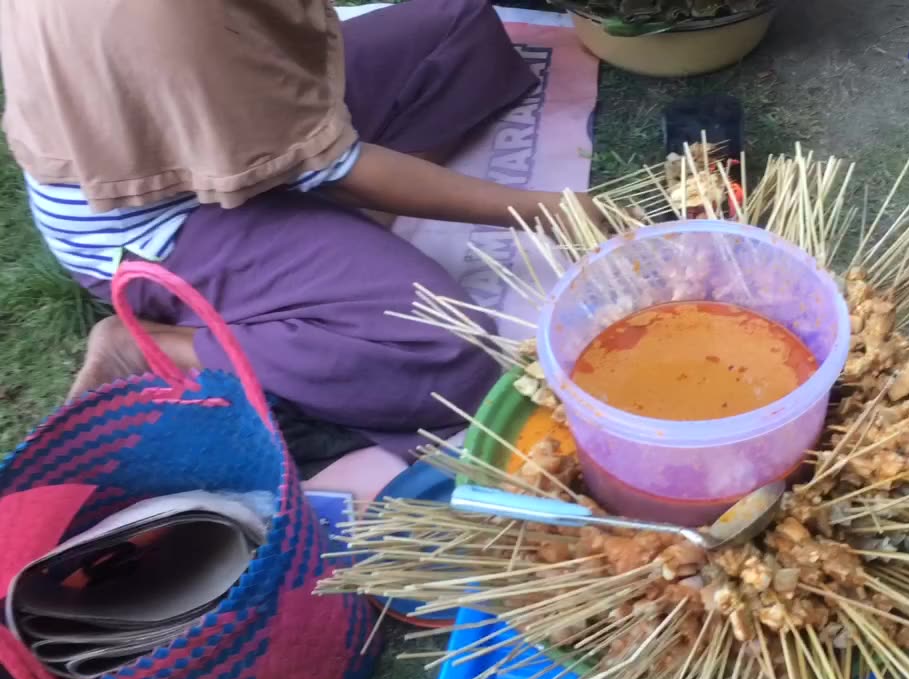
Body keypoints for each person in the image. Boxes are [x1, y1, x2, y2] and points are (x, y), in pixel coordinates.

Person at [1, 0, 589, 458]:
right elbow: (331, 168)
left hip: (200, 132)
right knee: (440, 339)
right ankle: (154, 343)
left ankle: (340, 238)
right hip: (154, 223)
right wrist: (551, 210)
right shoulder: (170, 21)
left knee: (460, 34)